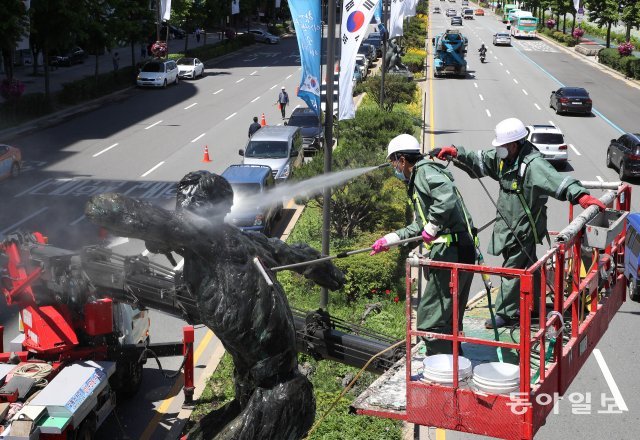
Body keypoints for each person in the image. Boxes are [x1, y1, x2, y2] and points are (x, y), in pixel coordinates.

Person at [85, 171, 345, 440]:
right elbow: (300, 255)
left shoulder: (204, 236)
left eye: (184, 208)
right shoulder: (244, 240)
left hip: (275, 399)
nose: (179, 215)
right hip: (258, 390)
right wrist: (329, 273)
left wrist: (167, 226)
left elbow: (102, 208)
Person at [433, 117, 605, 329]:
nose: (499, 150)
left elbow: (558, 181)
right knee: (530, 266)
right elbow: (480, 159)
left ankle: (505, 313)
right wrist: (456, 152)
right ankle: (537, 306)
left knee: (512, 271)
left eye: (503, 146)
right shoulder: (505, 159)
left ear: (514, 145)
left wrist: (581, 197)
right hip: (508, 226)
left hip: (523, 228)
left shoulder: (533, 165)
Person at [370, 134, 477, 355]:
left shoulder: (424, 171)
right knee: (448, 317)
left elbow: (446, 197)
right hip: (457, 250)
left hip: (452, 251)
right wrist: (390, 239)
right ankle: (453, 363)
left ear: (401, 159)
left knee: (430, 319)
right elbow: (420, 225)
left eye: (393, 161)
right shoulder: (418, 177)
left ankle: (441, 366)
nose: (394, 167)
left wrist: (433, 225)